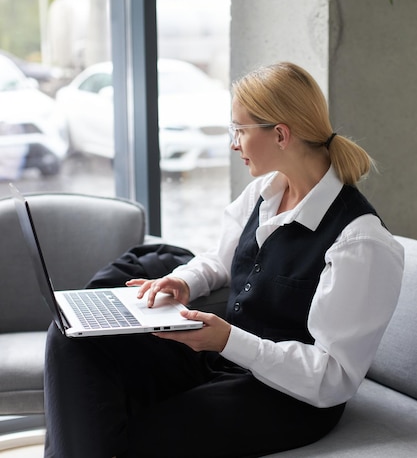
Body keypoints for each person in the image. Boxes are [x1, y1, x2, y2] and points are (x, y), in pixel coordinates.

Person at [44, 61, 404, 458]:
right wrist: (183, 282)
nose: (233, 143)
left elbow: (332, 378)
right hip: (223, 358)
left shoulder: (359, 241)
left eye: (240, 130)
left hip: (288, 398)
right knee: (72, 338)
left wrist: (229, 339)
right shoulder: (265, 192)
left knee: (138, 436)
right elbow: (220, 258)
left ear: (280, 134)